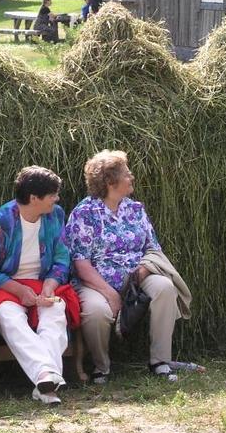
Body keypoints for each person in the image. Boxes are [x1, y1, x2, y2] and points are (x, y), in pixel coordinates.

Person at [62, 150, 190, 383]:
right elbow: (81, 262)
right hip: (95, 281)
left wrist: (143, 271)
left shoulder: (135, 209)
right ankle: (102, 367)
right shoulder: (84, 214)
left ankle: (160, 361)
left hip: (137, 274)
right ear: (111, 181)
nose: (132, 178)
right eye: (127, 174)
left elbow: (152, 247)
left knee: (165, 287)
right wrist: (110, 293)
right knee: (95, 311)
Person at [0, 166, 79, 406]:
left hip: (42, 282)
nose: (56, 199)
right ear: (34, 198)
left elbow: (61, 257)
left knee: (55, 310)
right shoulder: (2, 221)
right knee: (10, 317)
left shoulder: (55, 215)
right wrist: (19, 291)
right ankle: (47, 374)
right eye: (52, 194)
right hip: (6, 285)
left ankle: (44, 382)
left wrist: (49, 285)